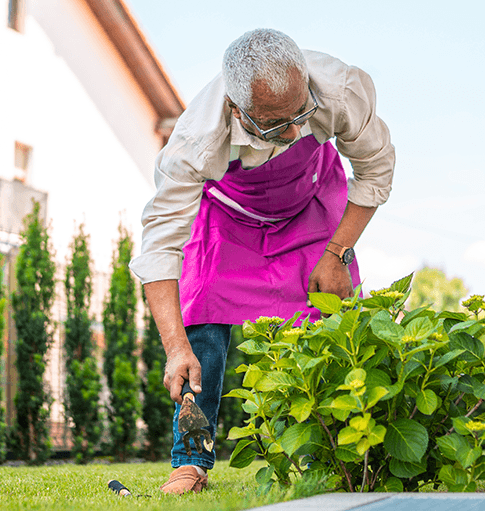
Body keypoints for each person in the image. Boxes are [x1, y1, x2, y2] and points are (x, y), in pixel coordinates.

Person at [129, 28, 395, 494]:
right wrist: (174, 347)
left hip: (310, 202)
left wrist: (337, 252)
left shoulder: (341, 88)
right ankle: (191, 461)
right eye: (275, 124)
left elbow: (376, 168)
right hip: (229, 216)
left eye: (301, 114)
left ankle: (333, 455)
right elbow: (159, 247)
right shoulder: (195, 141)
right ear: (236, 109)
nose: (294, 132)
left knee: (332, 319)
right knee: (201, 310)